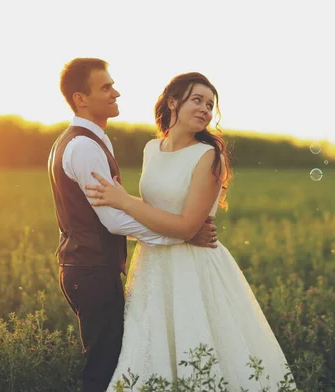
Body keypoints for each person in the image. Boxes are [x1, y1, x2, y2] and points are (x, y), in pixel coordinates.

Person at [85, 72, 297, 391]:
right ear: (173, 101)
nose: (205, 110)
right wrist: (128, 205)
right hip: (152, 266)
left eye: (210, 105)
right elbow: (153, 208)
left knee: (197, 347)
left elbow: (187, 226)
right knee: (151, 347)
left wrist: (125, 201)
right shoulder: (151, 149)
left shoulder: (209, 156)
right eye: (197, 100)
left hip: (193, 267)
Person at [47, 58, 219, 392]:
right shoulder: (83, 145)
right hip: (91, 268)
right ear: (81, 98)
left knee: (123, 356)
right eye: (106, 87)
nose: (116, 92)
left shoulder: (84, 140)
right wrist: (182, 235)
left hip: (95, 266)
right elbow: (113, 219)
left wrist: (174, 230)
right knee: (105, 364)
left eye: (209, 104)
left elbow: (123, 207)